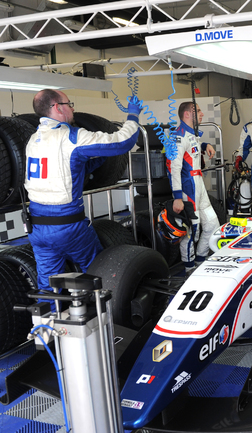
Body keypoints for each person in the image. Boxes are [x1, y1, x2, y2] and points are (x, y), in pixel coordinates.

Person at [24, 89, 141, 310]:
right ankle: (105, 319)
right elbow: (122, 141)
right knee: (99, 273)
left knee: (48, 288)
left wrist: (93, 162)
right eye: (69, 104)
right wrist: (133, 115)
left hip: (37, 229)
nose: (73, 109)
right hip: (68, 227)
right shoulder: (71, 136)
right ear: (57, 107)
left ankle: (45, 327)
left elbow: (61, 170)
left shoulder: (34, 139)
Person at [166, 101, 219, 274]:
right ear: (187, 114)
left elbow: (193, 147)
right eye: (198, 111)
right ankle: (189, 270)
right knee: (191, 230)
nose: (202, 114)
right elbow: (173, 168)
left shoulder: (191, 133)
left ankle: (200, 260)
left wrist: (205, 145)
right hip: (187, 186)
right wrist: (177, 197)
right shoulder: (177, 136)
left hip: (199, 183)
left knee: (212, 225)